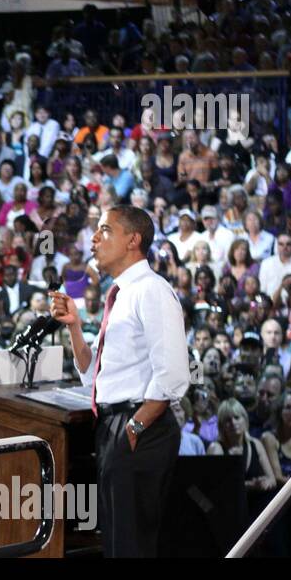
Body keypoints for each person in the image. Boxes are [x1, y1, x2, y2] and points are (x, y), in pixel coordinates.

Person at [50, 204, 188, 557]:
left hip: (139, 428)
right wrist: (75, 327)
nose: (95, 238)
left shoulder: (151, 290)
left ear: (133, 239)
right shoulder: (122, 294)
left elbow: (173, 375)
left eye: (105, 229)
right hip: (115, 426)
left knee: (131, 546)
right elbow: (93, 371)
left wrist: (134, 430)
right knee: (116, 543)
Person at [206, 399, 275, 492]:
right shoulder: (216, 448)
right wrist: (248, 485)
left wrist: (264, 483)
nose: (233, 422)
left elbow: (272, 480)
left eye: (237, 417)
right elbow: (215, 486)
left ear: (245, 419)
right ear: (221, 425)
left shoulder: (255, 444)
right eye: (227, 420)